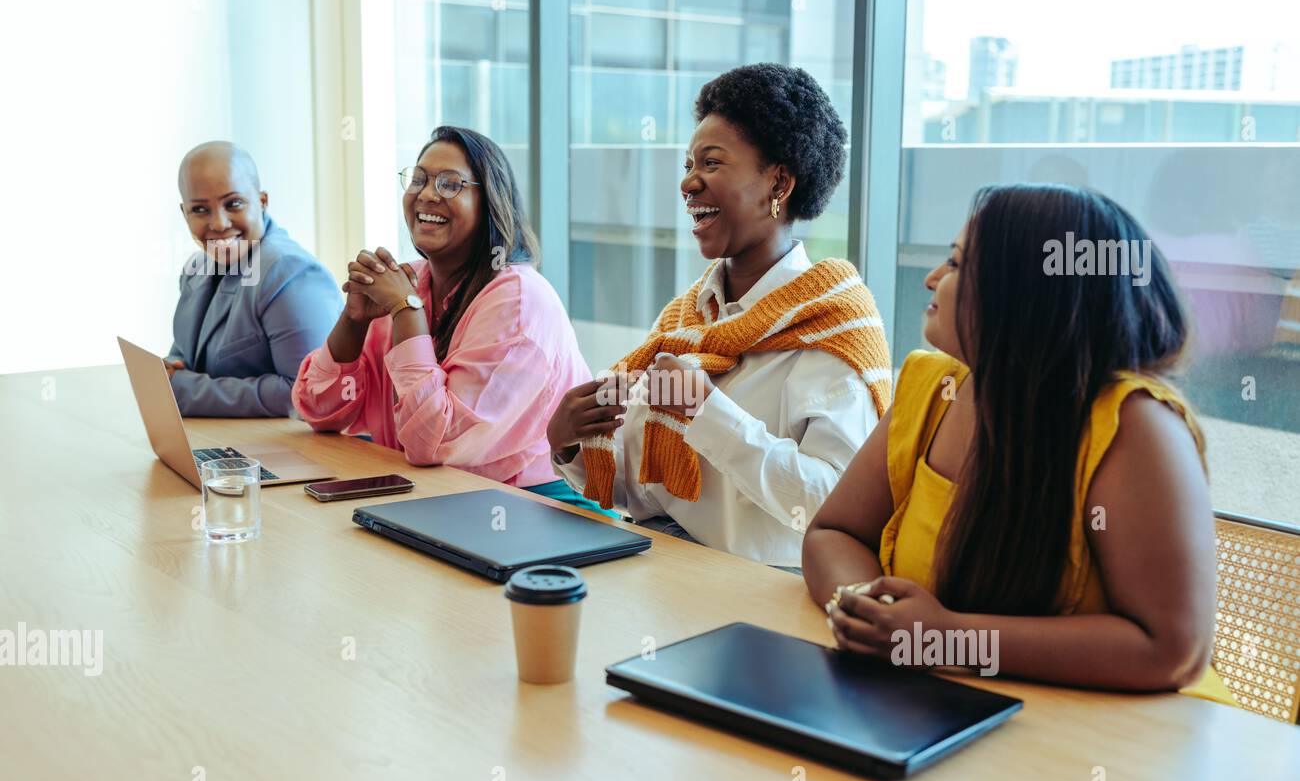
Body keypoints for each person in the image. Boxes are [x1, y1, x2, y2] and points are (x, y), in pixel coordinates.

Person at [803, 182, 1236, 705]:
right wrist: (863, 608)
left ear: (1026, 294)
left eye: (957, 264)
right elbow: (834, 532)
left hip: (1129, 746)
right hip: (947, 706)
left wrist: (945, 638)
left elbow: (1173, 651)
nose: (932, 279)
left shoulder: (1136, 425)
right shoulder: (933, 386)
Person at [547, 64, 892, 568]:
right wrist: (570, 444)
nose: (689, 182)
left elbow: (829, 507)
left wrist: (708, 414)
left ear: (779, 182)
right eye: (689, 164)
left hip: (757, 598)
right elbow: (646, 493)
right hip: (658, 572)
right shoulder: (685, 319)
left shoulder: (835, 329)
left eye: (711, 163)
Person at [292, 126, 605, 512]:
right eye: (419, 179)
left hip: (535, 510)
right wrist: (354, 320)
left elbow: (434, 445)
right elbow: (318, 411)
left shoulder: (518, 300)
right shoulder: (408, 282)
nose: (426, 194)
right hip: (433, 495)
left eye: (450, 184)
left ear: (490, 202)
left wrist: (406, 311)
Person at [168, 141, 340, 416]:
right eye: (200, 209)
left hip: (289, 452)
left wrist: (183, 391)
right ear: (184, 213)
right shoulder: (197, 267)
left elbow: (308, 393)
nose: (219, 224)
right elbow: (186, 357)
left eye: (233, 204)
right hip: (224, 444)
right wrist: (171, 369)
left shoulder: (291, 272)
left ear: (262, 202)